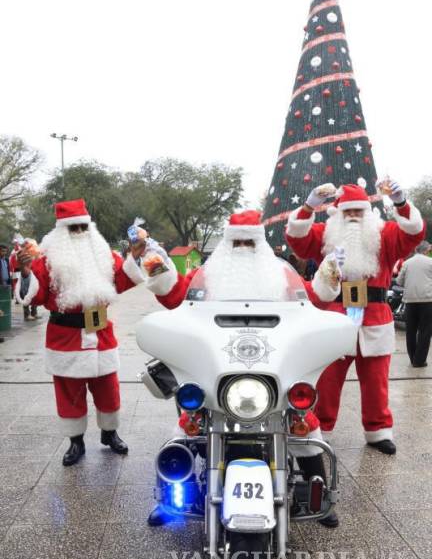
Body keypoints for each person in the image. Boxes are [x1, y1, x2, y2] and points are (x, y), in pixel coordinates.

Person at [142, 210, 346, 527]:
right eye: (236, 242)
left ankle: (317, 492)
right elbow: (177, 298)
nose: (243, 249)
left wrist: (329, 274)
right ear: (226, 244)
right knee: (188, 423)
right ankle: (171, 496)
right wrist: (160, 273)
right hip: (218, 369)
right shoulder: (207, 277)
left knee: (303, 420)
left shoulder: (281, 278)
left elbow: (313, 299)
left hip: (272, 367)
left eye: (249, 243)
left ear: (260, 245)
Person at [286, 181, 425, 455]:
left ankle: (378, 430)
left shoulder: (384, 235)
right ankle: (320, 429)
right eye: (348, 212)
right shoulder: (325, 235)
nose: (353, 217)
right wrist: (308, 206)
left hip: (374, 316)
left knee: (377, 382)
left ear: (368, 213)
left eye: (358, 212)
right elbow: (298, 240)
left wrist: (401, 202)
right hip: (335, 316)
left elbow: (414, 235)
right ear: (337, 213)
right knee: (327, 380)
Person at [16, 199, 147, 466]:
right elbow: (35, 297)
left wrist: (134, 255)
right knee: (69, 391)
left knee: (108, 389)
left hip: (99, 335)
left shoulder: (104, 255)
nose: (79, 233)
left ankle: (110, 434)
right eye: (73, 228)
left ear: (89, 228)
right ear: (61, 231)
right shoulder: (47, 260)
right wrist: (27, 271)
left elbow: (122, 279)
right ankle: (76, 442)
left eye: (82, 227)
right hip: (65, 337)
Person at [396, 241, 432, 368]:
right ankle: (419, 360)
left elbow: (399, 282)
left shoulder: (407, 263)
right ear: (426, 250)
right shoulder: (430, 262)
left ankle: (413, 359)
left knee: (410, 331)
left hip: (410, 301)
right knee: (425, 331)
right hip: (427, 300)